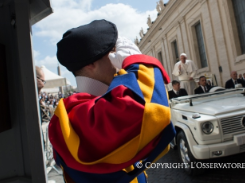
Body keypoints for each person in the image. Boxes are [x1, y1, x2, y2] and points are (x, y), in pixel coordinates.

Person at [49, 20, 175, 183]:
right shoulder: (73, 116)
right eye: (112, 52)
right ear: (91, 64)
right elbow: (146, 108)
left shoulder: (98, 104)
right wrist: (136, 61)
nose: (119, 62)